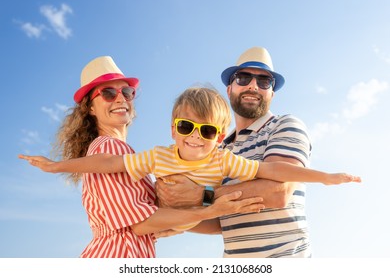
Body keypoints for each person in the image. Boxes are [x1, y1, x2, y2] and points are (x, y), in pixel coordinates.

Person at [18, 56, 265, 258]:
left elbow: (151, 220)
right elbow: (140, 224)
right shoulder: (109, 148)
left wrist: (181, 219)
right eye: (107, 93)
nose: (120, 99)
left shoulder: (128, 156)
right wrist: (207, 211)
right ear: (90, 107)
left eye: (126, 92)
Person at [20, 87, 360, 229]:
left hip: (193, 219)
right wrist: (58, 165)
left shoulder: (223, 161)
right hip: (169, 220)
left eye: (208, 131)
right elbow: (110, 164)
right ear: (172, 129)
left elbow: (272, 170)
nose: (196, 136)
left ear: (220, 136)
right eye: (187, 126)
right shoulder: (159, 157)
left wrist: (325, 177)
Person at [156, 47, 356, 258]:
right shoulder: (219, 149)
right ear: (229, 89)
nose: (253, 85)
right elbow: (219, 222)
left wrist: (200, 195)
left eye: (264, 81)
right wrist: (175, 217)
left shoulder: (284, 125)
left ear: (271, 93)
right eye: (243, 78)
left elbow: (277, 192)